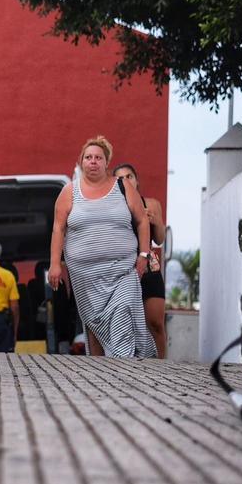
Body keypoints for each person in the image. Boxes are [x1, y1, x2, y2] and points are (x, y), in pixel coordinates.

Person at [48, 136, 157, 358]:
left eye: (98, 157)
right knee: (94, 324)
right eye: (88, 157)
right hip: (85, 278)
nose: (93, 161)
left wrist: (144, 254)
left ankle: (123, 365)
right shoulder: (69, 192)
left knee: (122, 309)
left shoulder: (122, 186)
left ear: (107, 163)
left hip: (122, 271)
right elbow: (58, 229)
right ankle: (102, 371)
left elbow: (142, 220)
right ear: (81, 162)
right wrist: (54, 264)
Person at [112, 163, 167, 358]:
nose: (126, 181)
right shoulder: (112, 207)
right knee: (126, 324)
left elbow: (159, 239)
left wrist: (156, 222)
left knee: (156, 323)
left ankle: (162, 365)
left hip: (149, 268)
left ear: (137, 181)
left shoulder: (152, 204)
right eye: (121, 178)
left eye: (130, 177)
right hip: (123, 269)